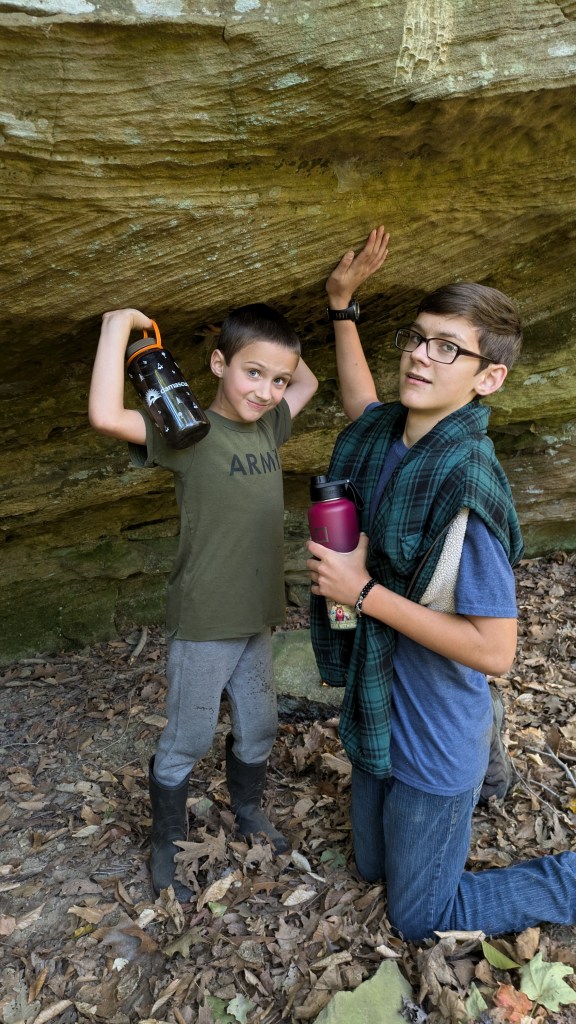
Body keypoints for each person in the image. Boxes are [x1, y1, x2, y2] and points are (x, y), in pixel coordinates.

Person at [307, 226, 576, 941]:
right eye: (418, 339)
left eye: (448, 348)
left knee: (419, 913)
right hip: (379, 705)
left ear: (489, 378)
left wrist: (362, 592)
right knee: (369, 864)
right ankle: (487, 764)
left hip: (433, 729)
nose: (422, 356)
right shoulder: (391, 437)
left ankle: (564, 876)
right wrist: (342, 306)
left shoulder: (466, 486)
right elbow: (362, 405)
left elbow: (495, 651)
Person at [89, 303, 318, 901]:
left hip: (256, 618)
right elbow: (105, 416)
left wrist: (270, 346)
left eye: (277, 379)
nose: (266, 390)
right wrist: (117, 329)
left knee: (260, 726)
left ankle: (249, 811)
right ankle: (168, 838)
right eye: (252, 372)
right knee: (188, 737)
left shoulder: (270, 426)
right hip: (205, 621)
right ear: (218, 364)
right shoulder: (187, 432)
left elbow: (310, 381)